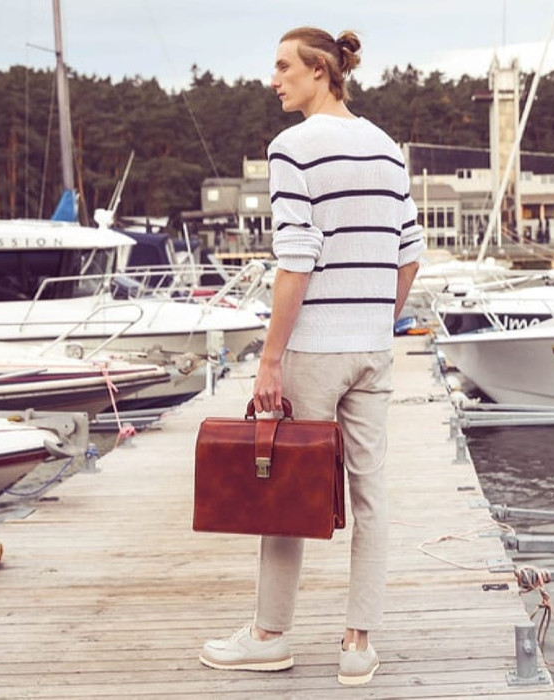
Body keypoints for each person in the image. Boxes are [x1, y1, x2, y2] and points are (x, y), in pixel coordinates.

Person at [199, 26, 425, 686]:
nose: (273, 79)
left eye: (283, 67)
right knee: (371, 494)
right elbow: (410, 256)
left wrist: (270, 360)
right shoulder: (385, 148)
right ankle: (357, 645)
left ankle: (269, 636)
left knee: (284, 485)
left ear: (320, 70)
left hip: (315, 348)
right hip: (371, 350)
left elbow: (296, 259)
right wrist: (375, 323)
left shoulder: (291, 148)